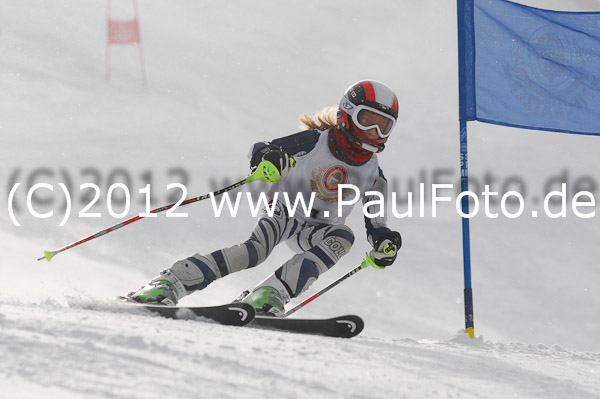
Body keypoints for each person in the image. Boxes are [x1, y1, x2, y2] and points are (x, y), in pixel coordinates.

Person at [127, 80, 402, 316]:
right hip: (287, 210)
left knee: (343, 236)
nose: (374, 133)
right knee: (254, 252)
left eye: (384, 126)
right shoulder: (315, 141)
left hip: (319, 228)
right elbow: (261, 148)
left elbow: (377, 223)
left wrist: (384, 242)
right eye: (368, 121)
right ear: (347, 114)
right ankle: (170, 282)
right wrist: (269, 158)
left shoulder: (373, 174)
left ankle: (269, 294)